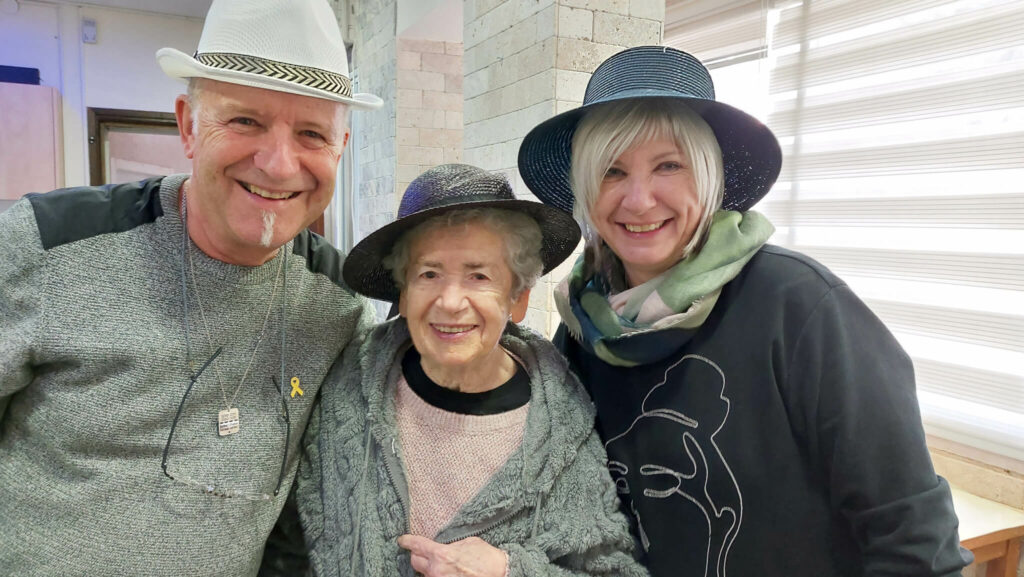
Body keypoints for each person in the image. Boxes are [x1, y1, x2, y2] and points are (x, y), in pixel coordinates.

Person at [517, 46, 973, 577]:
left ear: (709, 178)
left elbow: (916, 541)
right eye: (613, 172)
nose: (639, 200)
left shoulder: (799, 305)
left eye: (669, 165)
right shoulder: (582, 331)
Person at [0, 1, 381, 575]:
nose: (279, 165)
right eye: (245, 121)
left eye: (311, 134)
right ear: (187, 125)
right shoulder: (42, 246)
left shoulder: (340, 307)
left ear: (340, 150)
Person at [287, 164, 649, 577]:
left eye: (478, 275)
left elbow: (615, 571)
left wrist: (511, 572)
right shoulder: (346, 391)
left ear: (517, 300)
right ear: (403, 296)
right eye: (429, 274)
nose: (451, 301)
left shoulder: (562, 432)